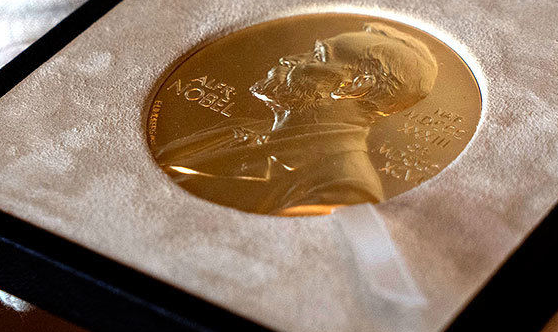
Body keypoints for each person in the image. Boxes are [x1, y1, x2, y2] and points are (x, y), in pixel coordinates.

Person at [156, 22, 438, 215]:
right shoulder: (237, 129)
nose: (290, 58)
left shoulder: (344, 192)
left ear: (355, 86)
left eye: (318, 56)